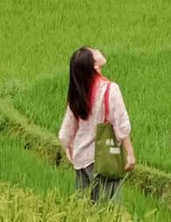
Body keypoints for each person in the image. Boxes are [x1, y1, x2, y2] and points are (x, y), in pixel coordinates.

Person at [58, 45, 135, 203]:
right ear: (94, 65)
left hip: (81, 160)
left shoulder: (78, 92)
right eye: (93, 52)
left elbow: (68, 128)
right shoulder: (110, 89)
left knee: (86, 210)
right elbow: (121, 125)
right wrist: (130, 153)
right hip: (104, 159)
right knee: (108, 212)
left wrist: (68, 147)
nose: (97, 51)